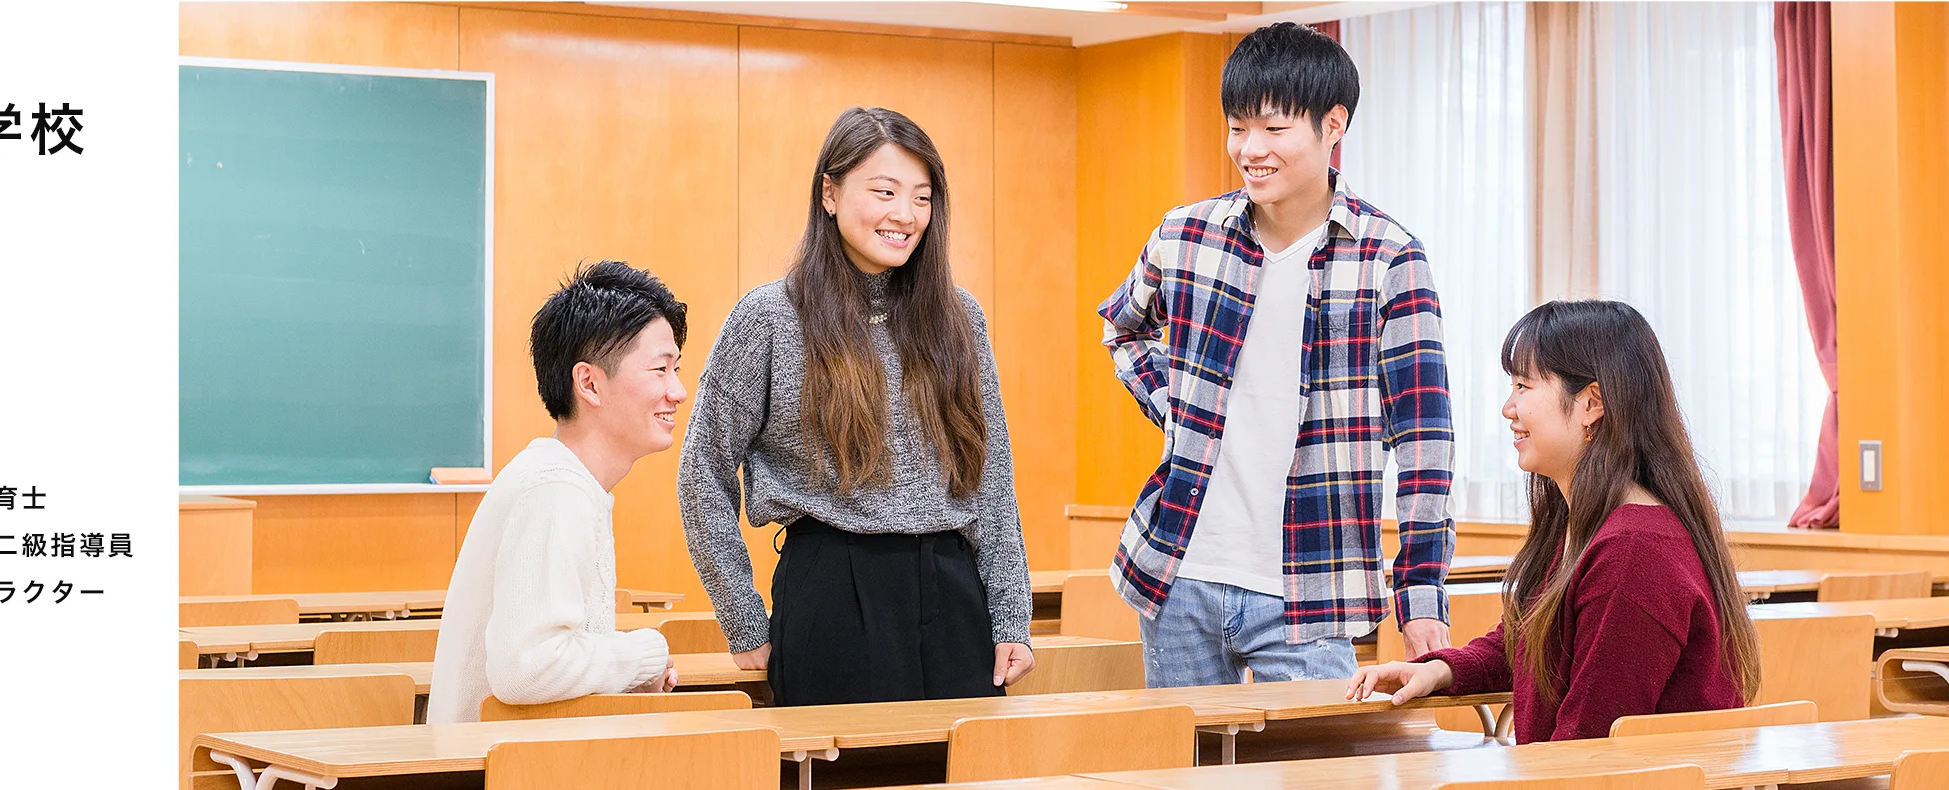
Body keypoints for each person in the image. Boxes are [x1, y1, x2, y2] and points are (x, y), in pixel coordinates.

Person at [1097, 21, 1457, 687]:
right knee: (1182, 774)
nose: (1250, 148)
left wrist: (1422, 591)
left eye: (1274, 129)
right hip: (1179, 572)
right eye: (1238, 127)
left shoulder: (1389, 258)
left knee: (1323, 771)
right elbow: (1123, 328)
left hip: (1311, 590)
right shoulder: (1186, 235)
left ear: (1334, 125)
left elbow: (1424, 440)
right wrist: (1176, 408)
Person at [679, 106, 1034, 706]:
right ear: (830, 193)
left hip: (952, 590)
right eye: (885, 192)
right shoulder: (769, 317)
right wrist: (742, 617)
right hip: (831, 590)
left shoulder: (960, 318)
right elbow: (703, 474)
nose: (905, 215)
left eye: (921, 198)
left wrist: (1011, 618)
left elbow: (991, 479)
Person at [1346, 300, 1759, 743]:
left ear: (1591, 403)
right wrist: (1439, 669)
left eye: (1524, 386)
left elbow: (1586, 745)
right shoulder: (1588, 524)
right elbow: (1527, 647)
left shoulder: (1632, 552)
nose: (1509, 408)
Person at [428, 260, 689, 723]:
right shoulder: (555, 489)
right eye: (660, 370)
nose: (679, 391)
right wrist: (644, 653)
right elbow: (527, 668)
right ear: (589, 383)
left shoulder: (566, 482)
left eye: (676, 369)